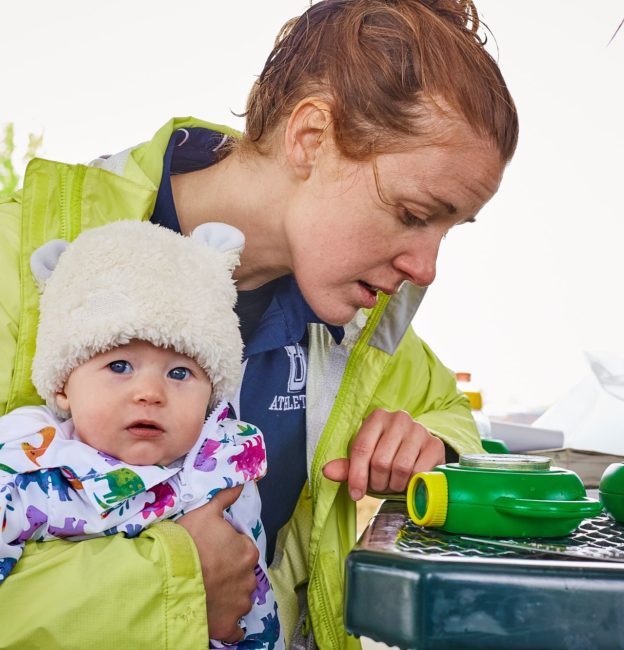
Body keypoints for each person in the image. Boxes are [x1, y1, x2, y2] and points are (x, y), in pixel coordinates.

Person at [0, 0, 518, 647]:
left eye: (450, 229)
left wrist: (430, 443)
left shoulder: (353, 320)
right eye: (414, 213)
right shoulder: (14, 261)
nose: (426, 268)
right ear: (309, 139)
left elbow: (443, 406)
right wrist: (177, 584)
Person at [0, 220, 282, 649]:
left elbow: (255, 604)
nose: (150, 393)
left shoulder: (225, 468)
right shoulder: (30, 472)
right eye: (119, 366)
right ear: (62, 386)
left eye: (180, 372)